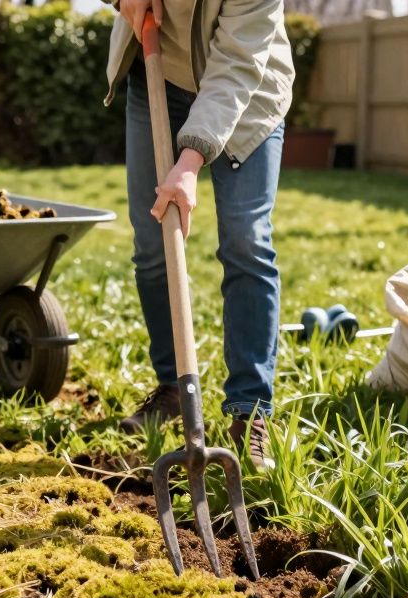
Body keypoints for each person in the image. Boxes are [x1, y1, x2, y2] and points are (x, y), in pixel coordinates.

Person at [104, 0, 294, 470]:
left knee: (247, 241)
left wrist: (189, 162)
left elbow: (236, 65)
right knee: (152, 247)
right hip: (158, 77)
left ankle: (250, 411)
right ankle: (172, 389)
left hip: (247, 94)